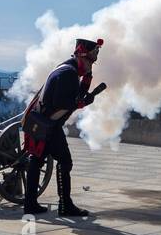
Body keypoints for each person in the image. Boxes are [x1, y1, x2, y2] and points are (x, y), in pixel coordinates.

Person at [21, 37, 106, 218]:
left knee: (36, 161)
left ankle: (30, 204)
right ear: (81, 57)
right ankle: (65, 205)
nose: (91, 65)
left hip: (41, 122)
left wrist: (84, 95)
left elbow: (69, 97)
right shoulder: (68, 74)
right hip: (49, 125)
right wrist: (81, 103)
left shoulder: (66, 69)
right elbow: (61, 102)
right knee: (65, 162)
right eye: (90, 60)